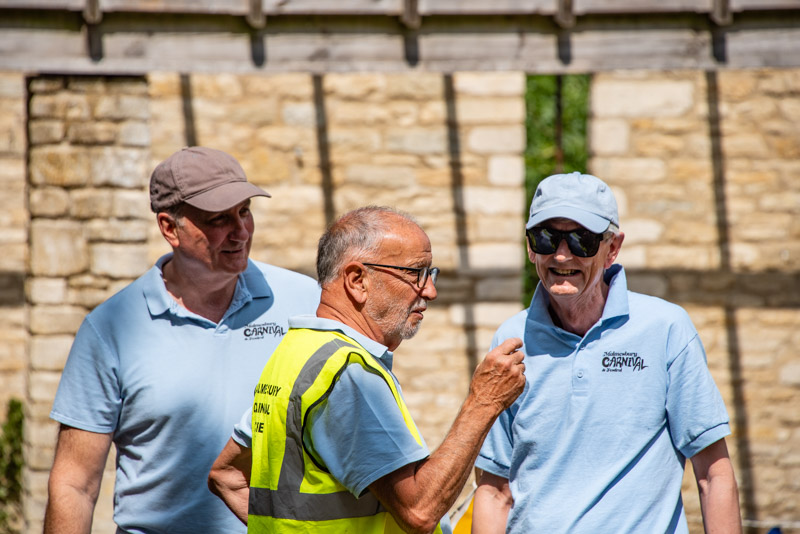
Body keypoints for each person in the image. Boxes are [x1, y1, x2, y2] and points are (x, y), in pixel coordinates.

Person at [44, 147, 321, 534]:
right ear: (169, 228)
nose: (241, 231)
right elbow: (75, 485)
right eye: (219, 219)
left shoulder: (304, 302)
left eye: (244, 212)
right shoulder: (111, 329)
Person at [208, 206, 527, 533]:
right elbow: (419, 511)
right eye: (416, 273)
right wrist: (484, 401)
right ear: (357, 280)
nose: (430, 290)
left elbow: (227, 475)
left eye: (431, 273)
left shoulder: (296, 351)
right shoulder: (346, 373)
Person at [471, 172, 742, 534]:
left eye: (581, 240)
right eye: (546, 237)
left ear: (612, 248)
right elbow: (494, 491)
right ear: (530, 247)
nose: (562, 254)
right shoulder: (510, 340)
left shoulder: (666, 329)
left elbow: (713, 474)